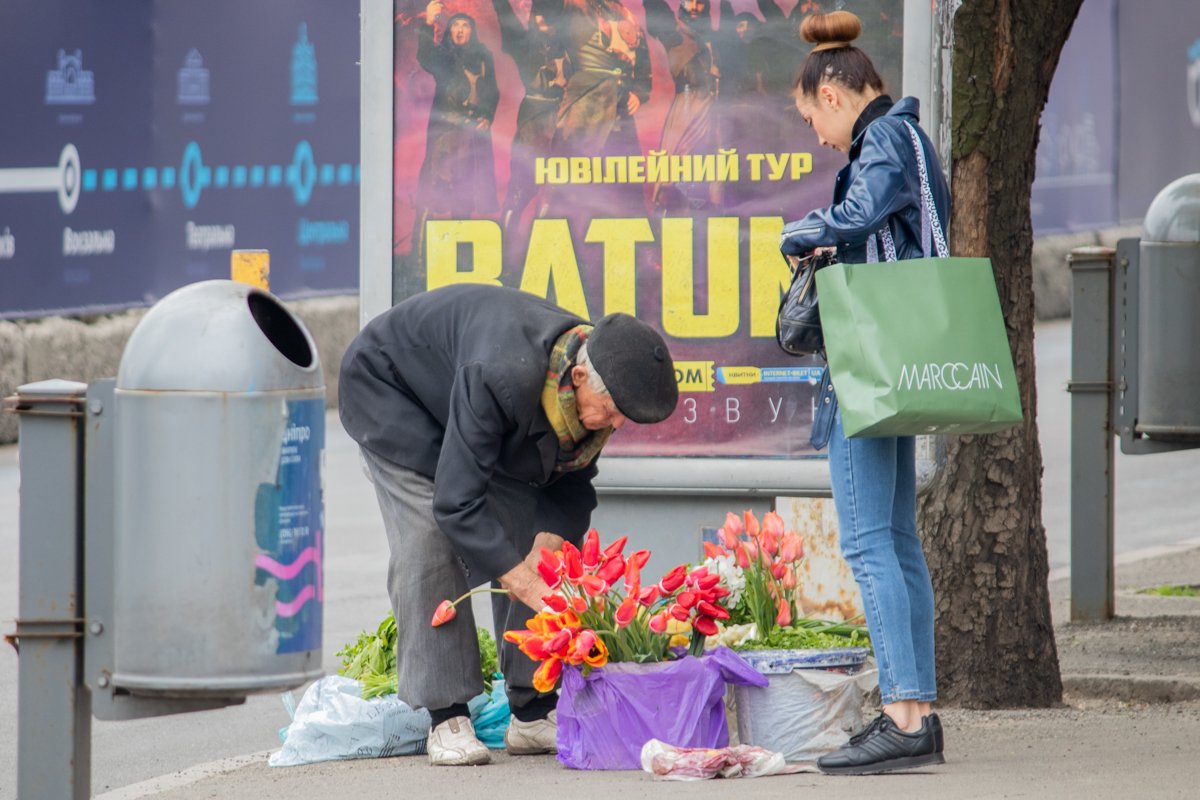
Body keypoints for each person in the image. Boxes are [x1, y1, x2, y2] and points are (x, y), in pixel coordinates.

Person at [338, 284, 678, 766]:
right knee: (430, 538)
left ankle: (531, 708)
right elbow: (457, 503)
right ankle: (447, 714)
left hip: (460, 397)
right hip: (393, 392)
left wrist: (548, 541)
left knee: (537, 539)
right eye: (615, 413)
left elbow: (570, 487)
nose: (616, 426)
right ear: (579, 376)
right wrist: (517, 577)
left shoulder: (590, 370)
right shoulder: (503, 374)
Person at [778, 10, 949, 776]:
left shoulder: (880, 139)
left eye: (812, 115)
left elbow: (858, 214)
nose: (816, 134)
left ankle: (903, 715)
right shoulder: (911, 138)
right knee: (900, 540)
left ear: (837, 95)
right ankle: (920, 711)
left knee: (868, 542)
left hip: (869, 358)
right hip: (904, 355)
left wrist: (801, 231)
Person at [414, 3, 500, 256]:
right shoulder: (443, 56)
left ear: (472, 30)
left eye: (465, 26)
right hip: (445, 135)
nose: (460, 31)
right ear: (450, 31)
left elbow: (492, 91)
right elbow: (425, 55)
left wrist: (487, 115)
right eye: (455, 26)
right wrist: (429, 22)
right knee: (431, 195)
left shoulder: (483, 56)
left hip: (473, 137)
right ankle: (419, 262)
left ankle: (462, 258)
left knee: (465, 196)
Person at [491, 0, 572, 232]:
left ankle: (541, 251)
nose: (544, 19)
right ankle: (503, 251)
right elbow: (505, 17)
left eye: (550, 14)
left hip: (565, 120)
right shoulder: (524, 43)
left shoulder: (573, 45)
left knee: (555, 190)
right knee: (521, 186)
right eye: (540, 14)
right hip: (535, 122)